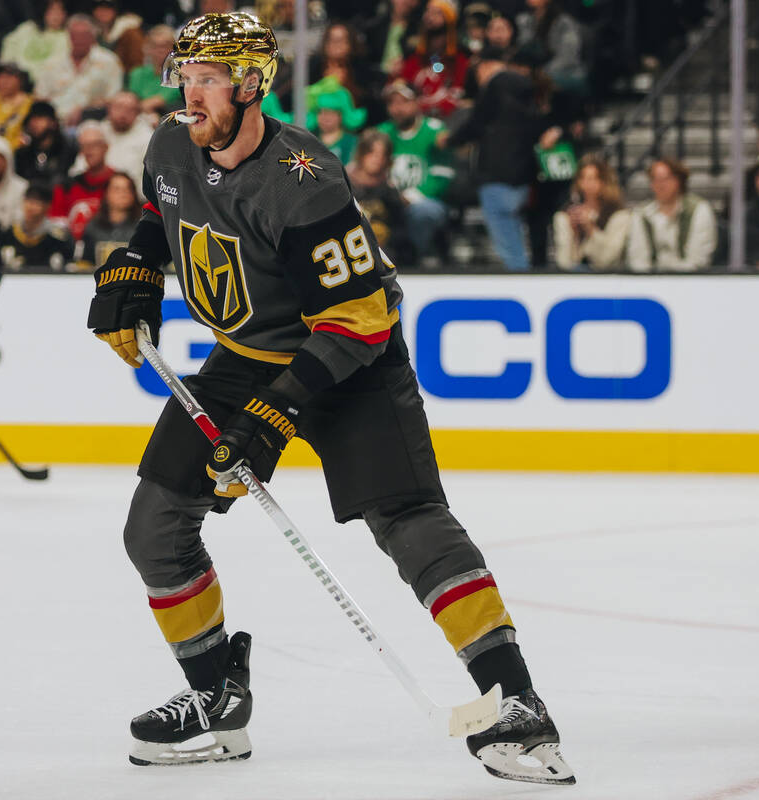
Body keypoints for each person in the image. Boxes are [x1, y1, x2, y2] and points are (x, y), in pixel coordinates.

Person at [85, 12, 573, 784]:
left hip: (350, 361)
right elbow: (162, 209)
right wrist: (135, 268)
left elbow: (360, 318)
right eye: (186, 76)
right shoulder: (173, 143)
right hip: (246, 354)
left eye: (209, 79)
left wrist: (276, 412)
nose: (191, 93)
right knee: (153, 528)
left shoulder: (303, 179)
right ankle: (217, 698)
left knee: (408, 521)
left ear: (251, 86)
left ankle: (516, 701)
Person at [440, 47, 542, 270]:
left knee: (509, 244)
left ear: (486, 66)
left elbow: (476, 123)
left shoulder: (495, 86)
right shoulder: (525, 90)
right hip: (523, 177)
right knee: (517, 233)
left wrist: (449, 140)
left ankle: (520, 281)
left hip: (497, 176)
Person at [379, 81, 454, 268]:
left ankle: (410, 261)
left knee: (424, 212)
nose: (397, 109)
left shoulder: (434, 131)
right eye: (392, 103)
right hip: (390, 200)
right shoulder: (382, 133)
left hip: (427, 201)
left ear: (417, 103)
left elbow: (443, 176)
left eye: (403, 102)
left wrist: (410, 196)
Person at [626, 157, 717, 272]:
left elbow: (698, 259)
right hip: (651, 280)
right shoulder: (641, 214)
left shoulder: (698, 209)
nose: (660, 185)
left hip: (690, 280)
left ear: (679, 181)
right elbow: (637, 258)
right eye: (655, 179)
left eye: (666, 179)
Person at [33, 14, 124, 125]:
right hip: (54, 123)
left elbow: (114, 100)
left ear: (93, 36)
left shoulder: (109, 61)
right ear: (68, 36)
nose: (79, 39)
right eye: (74, 35)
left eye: (84, 35)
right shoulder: (52, 63)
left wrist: (85, 112)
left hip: (93, 122)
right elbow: (40, 97)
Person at [551, 155, 631, 270]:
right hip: (575, 279)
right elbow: (564, 262)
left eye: (593, 178)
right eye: (583, 178)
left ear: (604, 182)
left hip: (608, 279)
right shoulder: (565, 216)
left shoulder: (619, 216)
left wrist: (591, 229)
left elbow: (609, 259)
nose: (587, 183)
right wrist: (575, 235)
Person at [346, 129, 408, 258]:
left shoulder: (390, 189)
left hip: (386, 252)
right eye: (371, 153)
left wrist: (385, 236)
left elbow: (401, 227)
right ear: (361, 154)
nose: (377, 159)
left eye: (382, 155)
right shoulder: (345, 185)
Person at [50, 122, 116, 240]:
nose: (89, 151)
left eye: (94, 145)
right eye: (84, 146)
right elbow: (56, 226)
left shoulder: (120, 183)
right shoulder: (66, 186)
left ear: (106, 147)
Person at [0, 182, 73, 271]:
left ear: (48, 206)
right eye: (28, 201)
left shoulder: (58, 239)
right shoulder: (9, 234)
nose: (30, 207)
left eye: (36, 203)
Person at [78, 170, 140, 268]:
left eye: (128, 189)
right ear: (106, 194)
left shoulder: (143, 228)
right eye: (117, 189)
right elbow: (85, 264)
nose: (123, 193)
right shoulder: (93, 227)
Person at [13, 101, 79, 186]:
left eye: (39, 118)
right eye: (32, 119)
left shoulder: (67, 152)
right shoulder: (22, 155)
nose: (34, 123)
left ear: (53, 122)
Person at [128, 24, 182, 116]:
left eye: (165, 46)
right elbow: (130, 102)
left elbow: (153, 103)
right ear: (147, 49)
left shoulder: (182, 74)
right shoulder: (137, 73)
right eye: (155, 46)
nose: (160, 50)